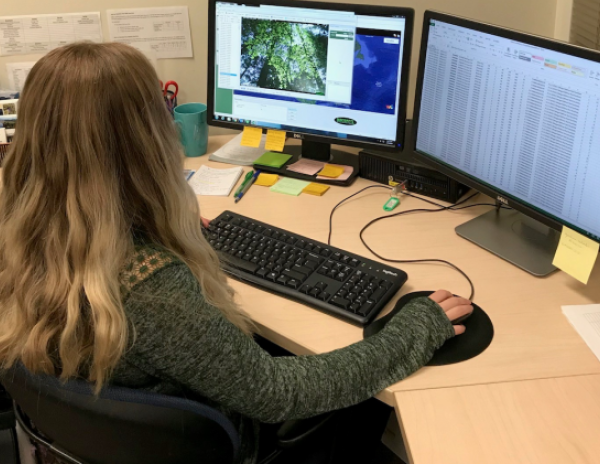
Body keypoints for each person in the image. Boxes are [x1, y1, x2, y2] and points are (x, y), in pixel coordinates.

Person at [0, 42, 472, 464]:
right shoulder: (151, 289)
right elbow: (278, 394)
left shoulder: (20, 232)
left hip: (98, 435)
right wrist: (414, 331)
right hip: (222, 436)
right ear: (146, 143)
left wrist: (168, 233)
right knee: (372, 391)